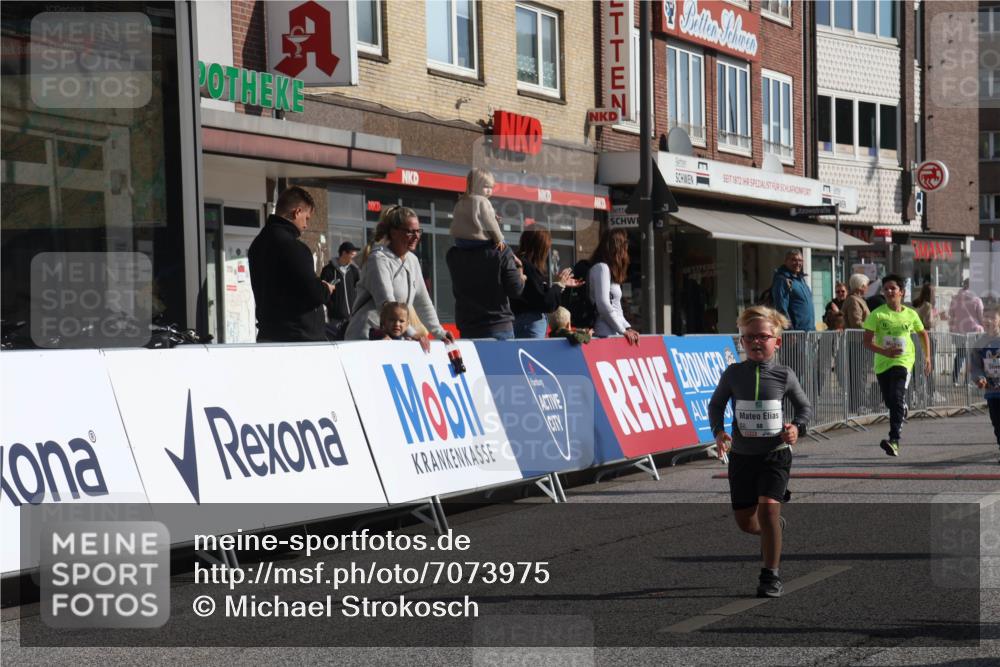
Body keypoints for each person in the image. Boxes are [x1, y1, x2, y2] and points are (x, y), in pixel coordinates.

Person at [709, 306, 812, 599]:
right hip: (742, 456)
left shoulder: (784, 374)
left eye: (763, 337)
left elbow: (804, 408)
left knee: (767, 507)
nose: (756, 342)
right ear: (742, 342)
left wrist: (797, 428)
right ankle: (773, 529)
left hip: (775, 454)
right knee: (746, 522)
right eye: (749, 337)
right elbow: (716, 405)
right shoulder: (733, 374)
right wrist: (719, 432)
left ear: (776, 342)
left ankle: (770, 576)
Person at [345, 206, 453, 350]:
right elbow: (387, 304)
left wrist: (440, 333)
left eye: (418, 231)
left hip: (394, 337)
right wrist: (413, 333)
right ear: (394, 233)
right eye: (410, 231)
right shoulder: (378, 259)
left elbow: (423, 302)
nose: (416, 236)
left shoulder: (412, 260)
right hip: (367, 338)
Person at [247, 186, 333, 342]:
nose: (306, 225)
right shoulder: (292, 246)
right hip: (297, 339)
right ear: (297, 212)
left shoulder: (258, 244)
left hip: (268, 334)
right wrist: (326, 288)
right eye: (307, 218)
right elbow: (313, 293)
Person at [862, 274, 932, 457]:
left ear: (902, 292)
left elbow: (923, 334)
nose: (889, 291)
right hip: (883, 363)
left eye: (893, 288)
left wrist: (927, 357)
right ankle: (902, 407)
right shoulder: (878, 314)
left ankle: (894, 440)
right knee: (890, 401)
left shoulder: (911, 314)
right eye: (886, 289)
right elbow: (867, 342)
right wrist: (885, 352)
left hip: (904, 361)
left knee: (896, 396)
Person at [446, 227, 525, 340]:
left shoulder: (453, 255)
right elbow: (516, 290)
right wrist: (519, 268)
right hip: (498, 326)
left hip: (468, 327)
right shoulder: (502, 252)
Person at [511, 228, 583, 338]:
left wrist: (559, 284)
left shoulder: (520, 264)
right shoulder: (527, 266)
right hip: (529, 323)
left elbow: (536, 293)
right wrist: (559, 285)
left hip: (522, 321)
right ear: (541, 247)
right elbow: (545, 302)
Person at [589, 228, 640, 345]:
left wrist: (627, 328)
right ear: (617, 246)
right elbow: (603, 304)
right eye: (625, 244)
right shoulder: (602, 268)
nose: (626, 250)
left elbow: (616, 307)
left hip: (613, 332)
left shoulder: (609, 270)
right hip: (604, 333)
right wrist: (623, 330)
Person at [970, 306, 1000, 463]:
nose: (988, 320)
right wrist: (979, 378)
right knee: (997, 423)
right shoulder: (979, 343)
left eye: (992, 317)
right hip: (992, 391)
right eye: (985, 317)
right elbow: (975, 366)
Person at [450, 168, 504, 249]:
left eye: (491, 187)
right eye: (486, 187)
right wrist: (499, 239)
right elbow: (491, 223)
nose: (489, 190)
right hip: (478, 241)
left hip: (460, 241)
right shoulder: (483, 201)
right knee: (504, 244)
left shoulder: (461, 201)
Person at [319, 241, 361, 340]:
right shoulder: (328, 270)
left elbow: (360, 289)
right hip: (335, 317)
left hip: (352, 317)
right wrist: (333, 308)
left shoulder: (354, 271)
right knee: (337, 341)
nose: (354, 258)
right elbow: (322, 291)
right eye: (352, 255)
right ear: (344, 253)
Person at [948, 278, 984, 385]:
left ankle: (954, 379)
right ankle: (967, 381)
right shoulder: (976, 299)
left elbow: (951, 313)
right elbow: (981, 316)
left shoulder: (955, 298)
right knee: (972, 357)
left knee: (959, 355)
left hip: (958, 331)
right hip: (974, 331)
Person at [770, 250, 815, 332]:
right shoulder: (782, 280)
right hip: (795, 334)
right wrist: (790, 331)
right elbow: (781, 308)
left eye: (800, 260)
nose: (798, 263)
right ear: (786, 261)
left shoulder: (801, 280)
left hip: (808, 332)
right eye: (794, 260)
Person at [912, 283, 940, 403]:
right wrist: (938, 318)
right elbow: (928, 323)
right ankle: (930, 393)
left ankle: (919, 391)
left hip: (919, 339)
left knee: (919, 366)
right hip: (927, 338)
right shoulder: (928, 306)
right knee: (928, 366)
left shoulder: (919, 304)